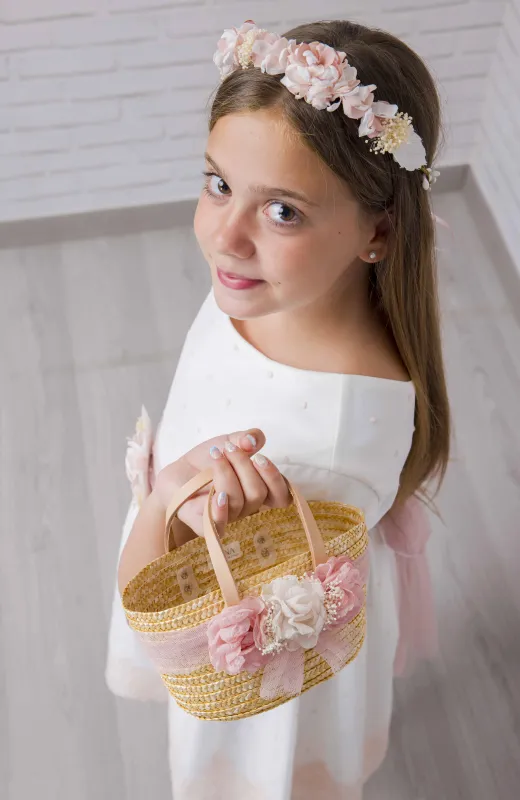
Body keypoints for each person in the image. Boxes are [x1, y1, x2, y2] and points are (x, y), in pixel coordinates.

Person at [106, 18, 450, 800]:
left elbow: (167, 618)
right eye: (219, 183)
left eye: (283, 211)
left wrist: (164, 504)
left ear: (379, 231)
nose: (225, 238)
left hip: (247, 653)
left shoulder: (318, 448)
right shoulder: (270, 285)